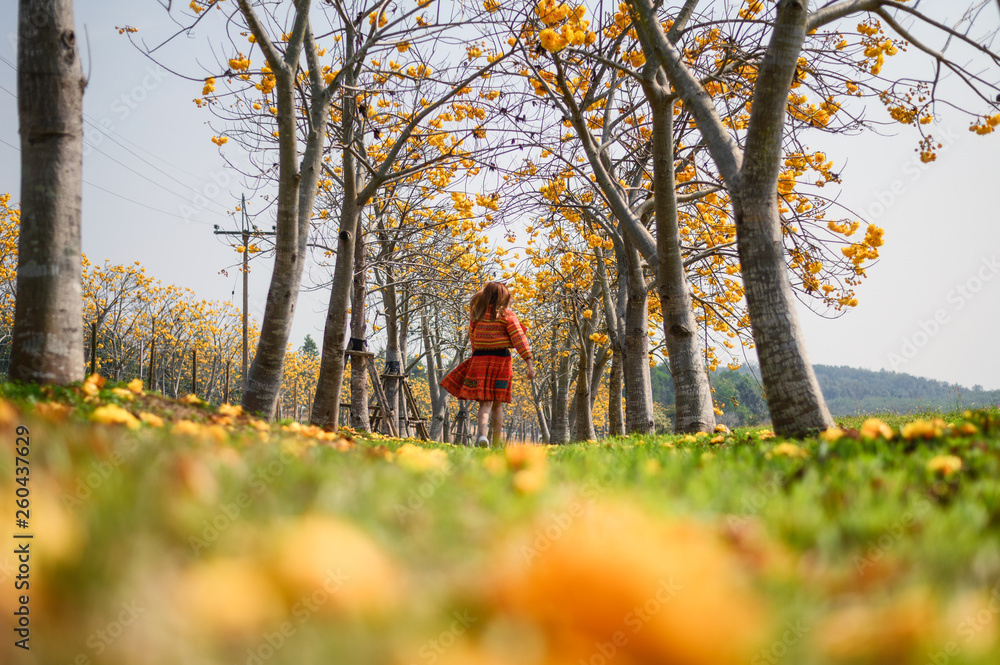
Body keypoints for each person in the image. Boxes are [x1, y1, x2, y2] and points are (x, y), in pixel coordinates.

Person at [440, 281, 535, 447]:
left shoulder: (477, 315)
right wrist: (529, 363)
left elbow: (473, 338)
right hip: (501, 362)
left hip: (480, 360)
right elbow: (519, 339)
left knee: (485, 404)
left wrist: (476, 355)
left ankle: (482, 437)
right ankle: (497, 443)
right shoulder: (508, 316)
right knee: (497, 404)